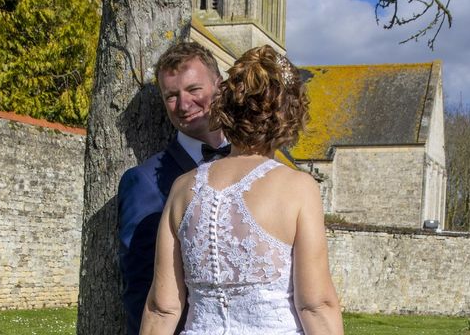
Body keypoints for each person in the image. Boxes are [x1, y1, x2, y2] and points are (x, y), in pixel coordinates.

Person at [141, 45, 344, 334]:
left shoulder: (183, 188)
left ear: (225, 107)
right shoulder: (298, 188)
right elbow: (315, 305)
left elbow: (162, 308)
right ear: (289, 115)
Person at [118, 42, 230, 335]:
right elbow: (141, 292)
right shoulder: (143, 183)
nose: (183, 104)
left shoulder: (257, 164)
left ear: (218, 85)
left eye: (194, 90)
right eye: (171, 96)